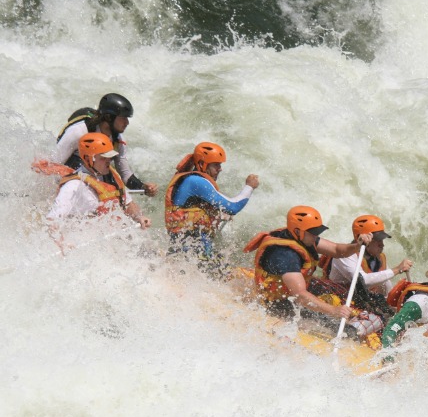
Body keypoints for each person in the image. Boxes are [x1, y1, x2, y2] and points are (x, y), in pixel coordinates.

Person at [243, 205, 373, 325]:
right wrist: (333, 310)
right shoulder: (285, 255)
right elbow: (300, 295)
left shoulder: (304, 238)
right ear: (298, 231)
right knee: (344, 329)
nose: (316, 235)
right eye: (313, 232)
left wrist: (357, 245)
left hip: (294, 292)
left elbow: (337, 250)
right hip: (277, 304)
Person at [165, 142, 258, 276]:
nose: (220, 169)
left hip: (193, 251)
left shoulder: (193, 180)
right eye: (216, 165)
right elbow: (232, 207)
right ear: (203, 164)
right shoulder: (195, 181)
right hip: (193, 254)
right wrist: (249, 187)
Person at [51, 93, 158, 196]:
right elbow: (53, 164)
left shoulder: (118, 140)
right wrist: (61, 191)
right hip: (72, 169)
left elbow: (125, 175)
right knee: (84, 165)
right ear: (108, 117)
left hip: (92, 171)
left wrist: (143, 187)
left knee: (109, 175)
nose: (127, 122)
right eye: (123, 118)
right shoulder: (78, 132)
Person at [47, 133, 151, 229]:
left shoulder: (111, 176)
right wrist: (63, 243)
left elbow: (128, 203)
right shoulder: (73, 186)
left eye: (110, 157)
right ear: (88, 159)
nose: (108, 161)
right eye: (103, 158)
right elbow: (52, 221)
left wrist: (139, 217)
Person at [324, 214, 414, 297]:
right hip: (339, 298)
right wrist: (398, 269)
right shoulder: (345, 256)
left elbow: (385, 283)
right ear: (361, 238)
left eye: (382, 240)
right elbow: (363, 281)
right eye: (377, 240)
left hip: (359, 299)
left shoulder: (379, 258)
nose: (382, 245)